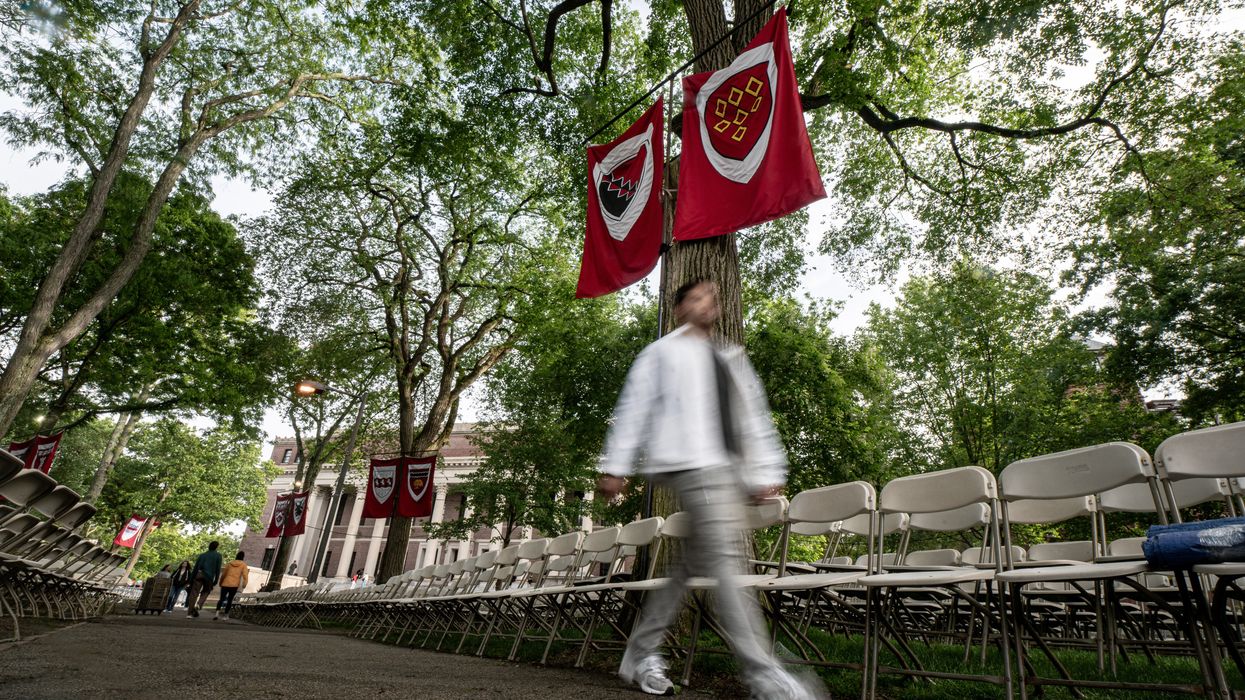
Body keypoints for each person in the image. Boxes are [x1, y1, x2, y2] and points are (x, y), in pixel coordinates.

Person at [597, 279, 825, 700]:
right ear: (680, 308)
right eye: (696, 297)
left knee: (690, 565)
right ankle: (763, 674)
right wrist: (615, 466)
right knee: (724, 560)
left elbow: (752, 419)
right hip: (687, 465)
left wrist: (764, 471)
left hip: (726, 471)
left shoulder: (730, 357)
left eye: (711, 298)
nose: (706, 304)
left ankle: (640, 651)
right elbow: (633, 408)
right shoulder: (661, 353)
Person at [186, 541, 223, 618]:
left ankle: (189, 613)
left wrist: (191, 579)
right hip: (209, 577)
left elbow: (196, 567)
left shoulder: (202, 555)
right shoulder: (218, 556)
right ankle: (199, 605)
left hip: (199, 575)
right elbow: (217, 569)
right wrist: (216, 580)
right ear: (216, 547)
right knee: (206, 591)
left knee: (194, 593)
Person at [214, 551, 249, 621]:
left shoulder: (230, 563)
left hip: (225, 583)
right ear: (243, 557)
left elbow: (224, 574)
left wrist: (221, 583)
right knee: (230, 600)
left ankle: (216, 614)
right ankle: (225, 616)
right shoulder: (243, 565)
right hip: (234, 585)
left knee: (221, 599)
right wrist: (244, 584)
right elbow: (245, 576)